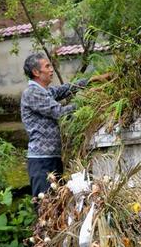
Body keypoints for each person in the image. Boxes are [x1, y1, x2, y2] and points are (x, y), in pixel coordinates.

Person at [20, 52, 109, 203]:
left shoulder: (44, 91)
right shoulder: (32, 93)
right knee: (46, 206)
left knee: (57, 206)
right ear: (36, 72)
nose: (51, 69)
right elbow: (59, 112)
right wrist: (87, 101)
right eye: (47, 66)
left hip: (51, 158)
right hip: (42, 161)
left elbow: (64, 89)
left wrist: (91, 81)